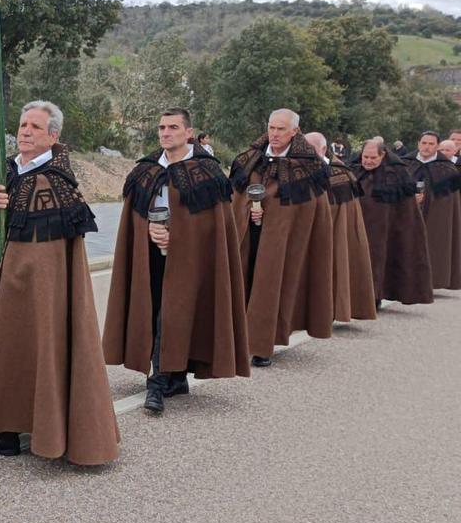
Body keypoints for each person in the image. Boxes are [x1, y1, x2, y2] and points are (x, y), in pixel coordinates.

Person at [0, 100, 119, 463]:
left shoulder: (57, 185)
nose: (25, 131)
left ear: (53, 136)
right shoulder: (1, 172)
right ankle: (0, 426)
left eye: (35, 127)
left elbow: (48, 262)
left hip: (27, 295)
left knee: (20, 353)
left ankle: (14, 431)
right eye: (23, 124)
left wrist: (11, 282)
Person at [103, 109, 249, 415]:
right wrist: (148, 230)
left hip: (191, 257)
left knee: (176, 311)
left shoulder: (207, 173)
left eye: (172, 127)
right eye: (161, 127)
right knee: (154, 306)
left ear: (188, 132)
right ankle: (174, 375)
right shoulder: (146, 169)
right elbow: (134, 214)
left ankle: (159, 381)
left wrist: (179, 238)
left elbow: (212, 226)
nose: (165, 133)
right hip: (149, 250)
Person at [229, 109, 334, 367]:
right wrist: (247, 212)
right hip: (248, 233)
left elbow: (310, 210)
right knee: (241, 279)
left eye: (281, 129)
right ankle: (234, 340)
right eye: (271, 128)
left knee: (270, 283)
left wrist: (275, 217)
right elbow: (235, 195)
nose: (274, 134)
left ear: (294, 132)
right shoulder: (250, 158)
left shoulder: (308, 167)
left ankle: (262, 344)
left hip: (281, 240)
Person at [305, 131, 377, 323]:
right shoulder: (296, 170)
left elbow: (346, 212)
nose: (307, 152)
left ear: (323, 149)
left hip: (332, 232)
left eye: (312, 148)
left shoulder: (340, 173)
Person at [352, 139, 433, 307]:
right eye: (365, 157)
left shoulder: (397, 174)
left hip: (384, 229)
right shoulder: (354, 170)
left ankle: (376, 295)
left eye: (373, 157)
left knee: (379, 259)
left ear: (383, 155)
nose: (368, 161)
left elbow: (406, 211)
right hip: (357, 225)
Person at [408, 131, 461, 290]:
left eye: (431, 144)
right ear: (418, 143)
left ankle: (430, 280)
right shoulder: (406, 164)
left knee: (433, 245)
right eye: (424, 143)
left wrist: (428, 197)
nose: (426, 147)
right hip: (408, 215)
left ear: (437, 147)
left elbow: (449, 201)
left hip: (434, 218)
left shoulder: (448, 170)